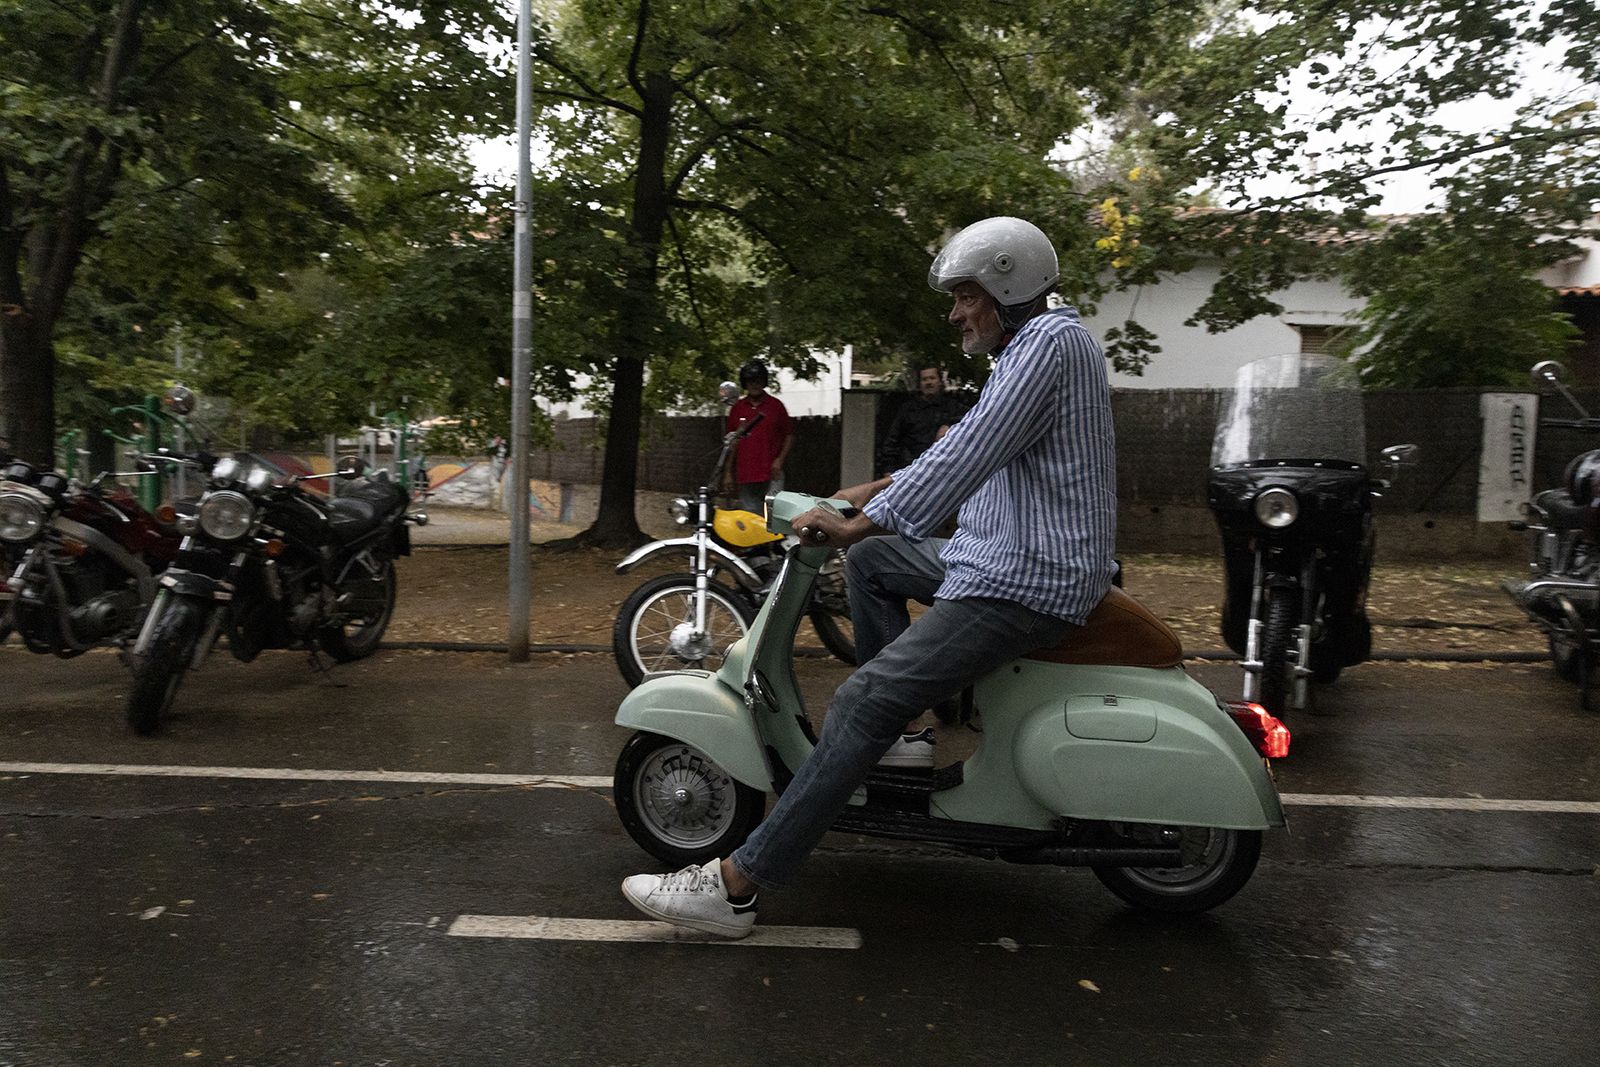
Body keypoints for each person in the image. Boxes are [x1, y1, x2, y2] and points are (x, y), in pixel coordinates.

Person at [622, 216, 1118, 938]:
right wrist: (862, 494)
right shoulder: (1035, 348)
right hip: (1003, 552)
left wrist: (860, 518)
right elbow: (965, 449)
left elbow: (967, 454)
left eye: (966, 296)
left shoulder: (1047, 347)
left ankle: (735, 887)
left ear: (1008, 288)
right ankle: (910, 732)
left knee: (860, 698)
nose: (955, 312)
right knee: (877, 561)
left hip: (1026, 576)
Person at [724, 360, 794, 513]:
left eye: (758, 381)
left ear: (764, 382)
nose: (754, 385)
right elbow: (732, 443)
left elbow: (789, 435)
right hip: (746, 474)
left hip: (772, 473)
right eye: (750, 381)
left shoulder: (776, 406)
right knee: (750, 520)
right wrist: (728, 472)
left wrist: (779, 460)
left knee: (774, 518)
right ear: (745, 383)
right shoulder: (737, 409)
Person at [876, 366, 970, 476]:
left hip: (944, 470)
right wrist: (888, 471)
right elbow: (892, 441)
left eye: (932, 378)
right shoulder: (908, 409)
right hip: (911, 470)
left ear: (940, 382)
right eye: (924, 379)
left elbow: (972, 419)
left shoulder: (953, 407)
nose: (928, 382)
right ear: (920, 384)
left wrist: (948, 425)